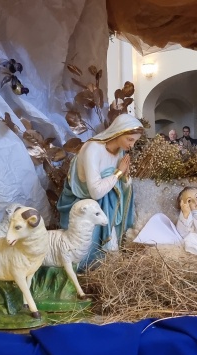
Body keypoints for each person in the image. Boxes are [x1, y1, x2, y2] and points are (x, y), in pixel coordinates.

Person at [57, 114, 144, 269]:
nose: (132, 145)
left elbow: (121, 185)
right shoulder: (93, 149)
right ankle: (100, 258)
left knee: (109, 197)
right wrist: (118, 173)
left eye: (135, 142)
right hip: (84, 203)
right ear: (119, 132)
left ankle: (111, 254)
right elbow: (95, 192)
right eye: (130, 139)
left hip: (107, 205)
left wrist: (125, 176)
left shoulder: (120, 151)